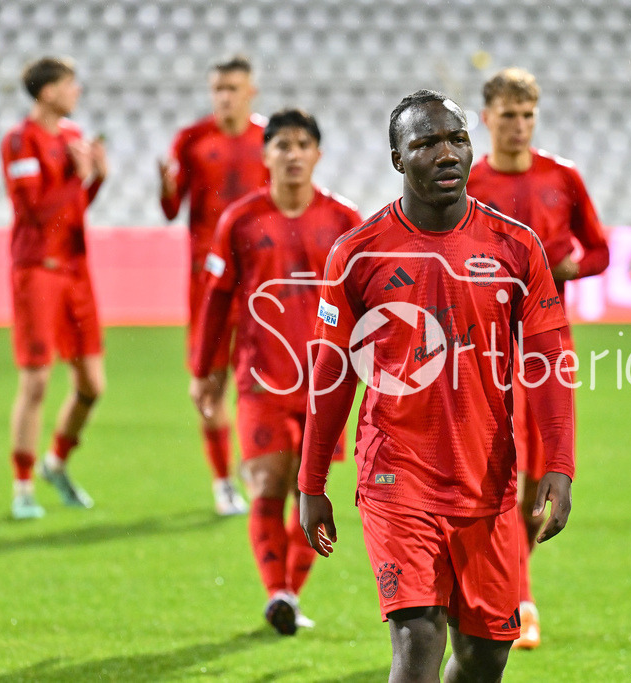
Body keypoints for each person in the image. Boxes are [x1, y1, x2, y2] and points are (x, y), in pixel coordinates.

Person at [299, 90, 575, 682]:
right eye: (425, 143)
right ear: (398, 159)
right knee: (418, 638)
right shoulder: (358, 254)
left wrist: (561, 460)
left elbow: (552, 358)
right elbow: (331, 373)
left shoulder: (515, 246)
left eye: (456, 139)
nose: (446, 153)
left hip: (487, 480)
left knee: (482, 660)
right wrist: (311, 480)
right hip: (395, 476)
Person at [189, 109, 361, 634]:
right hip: (261, 377)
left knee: (310, 490)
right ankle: (277, 593)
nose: (292, 154)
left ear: (317, 155)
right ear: (265, 156)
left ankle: (291, 591)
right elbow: (216, 301)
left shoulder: (344, 221)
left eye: (302, 144)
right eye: (281, 145)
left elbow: (370, 301)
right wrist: (205, 370)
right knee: (266, 480)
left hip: (328, 381)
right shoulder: (239, 220)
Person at [466, 66, 609, 649]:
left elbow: (598, 249)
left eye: (527, 115)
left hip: (547, 346)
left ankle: (514, 594)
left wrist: (569, 267)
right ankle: (517, 602)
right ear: (486, 119)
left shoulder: (563, 178)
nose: (519, 126)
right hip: (485, 350)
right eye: (507, 115)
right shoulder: (468, 182)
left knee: (534, 480)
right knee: (500, 471)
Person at [160, 55, 270, 515]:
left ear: (251, 92)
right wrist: (164, 186)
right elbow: (171, 210)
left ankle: (256, 466)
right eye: (218, 89)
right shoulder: (191, 139)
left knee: (263, 381)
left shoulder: (270, 140)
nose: (224, 96)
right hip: (207, 285)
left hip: (260, 282)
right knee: (209, 382)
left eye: (233, 88)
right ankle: (223, 481)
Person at [1, 56, 108, 520]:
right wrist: (78, 175)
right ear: (47, 91)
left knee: (91, 383)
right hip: (38, 269)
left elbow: (73, 209)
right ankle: (22, 487)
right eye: (69, 83)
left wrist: (96, 177)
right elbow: (35, 209)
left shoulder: (72, 137)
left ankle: (56, 462)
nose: (76, 91)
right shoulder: (20, 140)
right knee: (37, 379)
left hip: (75, 270)